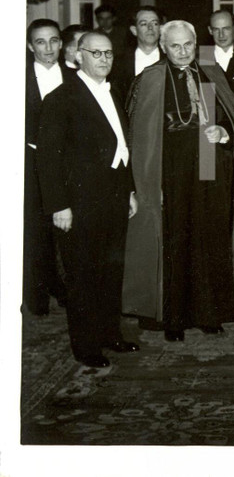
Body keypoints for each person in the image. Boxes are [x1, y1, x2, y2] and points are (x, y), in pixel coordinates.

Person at [123, 20, 234, 341]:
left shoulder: (210, 73)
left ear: (196, 43)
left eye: (187, 45)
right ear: (164, 47)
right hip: (168, 173)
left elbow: (232, 120)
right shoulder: (149, 80)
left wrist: (225, 133)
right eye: (174, 46)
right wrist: (148, 182)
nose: (182, 52)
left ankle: (209, 313)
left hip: (208, 168)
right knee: (174, 241)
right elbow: (138, 137)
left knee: (208, 239)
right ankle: (173, 320)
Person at [36, 31, 139, 367]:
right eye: (96, 53)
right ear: (78, 55)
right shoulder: (60, 98)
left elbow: (122, 144)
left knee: (111, 271)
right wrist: (58, 206)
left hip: (113, 196)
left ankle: (111, 333)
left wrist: (130, 190)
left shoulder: (114, 90)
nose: (104, 59)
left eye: (108, 53)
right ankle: (86, 345)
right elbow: (48, 159)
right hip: (78, 203)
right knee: (83, 276)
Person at [24, 19, 70, 316]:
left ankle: (68, 292)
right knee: (36, 234)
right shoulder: (17, 80)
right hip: (32, 167)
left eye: (54, 41)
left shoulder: (76, 78)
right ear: (31, 47)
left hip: (69, 167)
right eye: (41, 42)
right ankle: (37, 297)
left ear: (62, 44)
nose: (48, 48)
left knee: (68, 233)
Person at [110, 7, 162, 101]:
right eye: (144, 24)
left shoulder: (171, 60)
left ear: (160, 29)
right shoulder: (119, 63)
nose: (150, 28)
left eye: (155, 23)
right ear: (134, 30)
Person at [208, 9, 234, 81]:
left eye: (226, 29)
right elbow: (206, 90)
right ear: (210, 30)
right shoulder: (203, 57)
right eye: (216, 29)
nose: (221, 35)